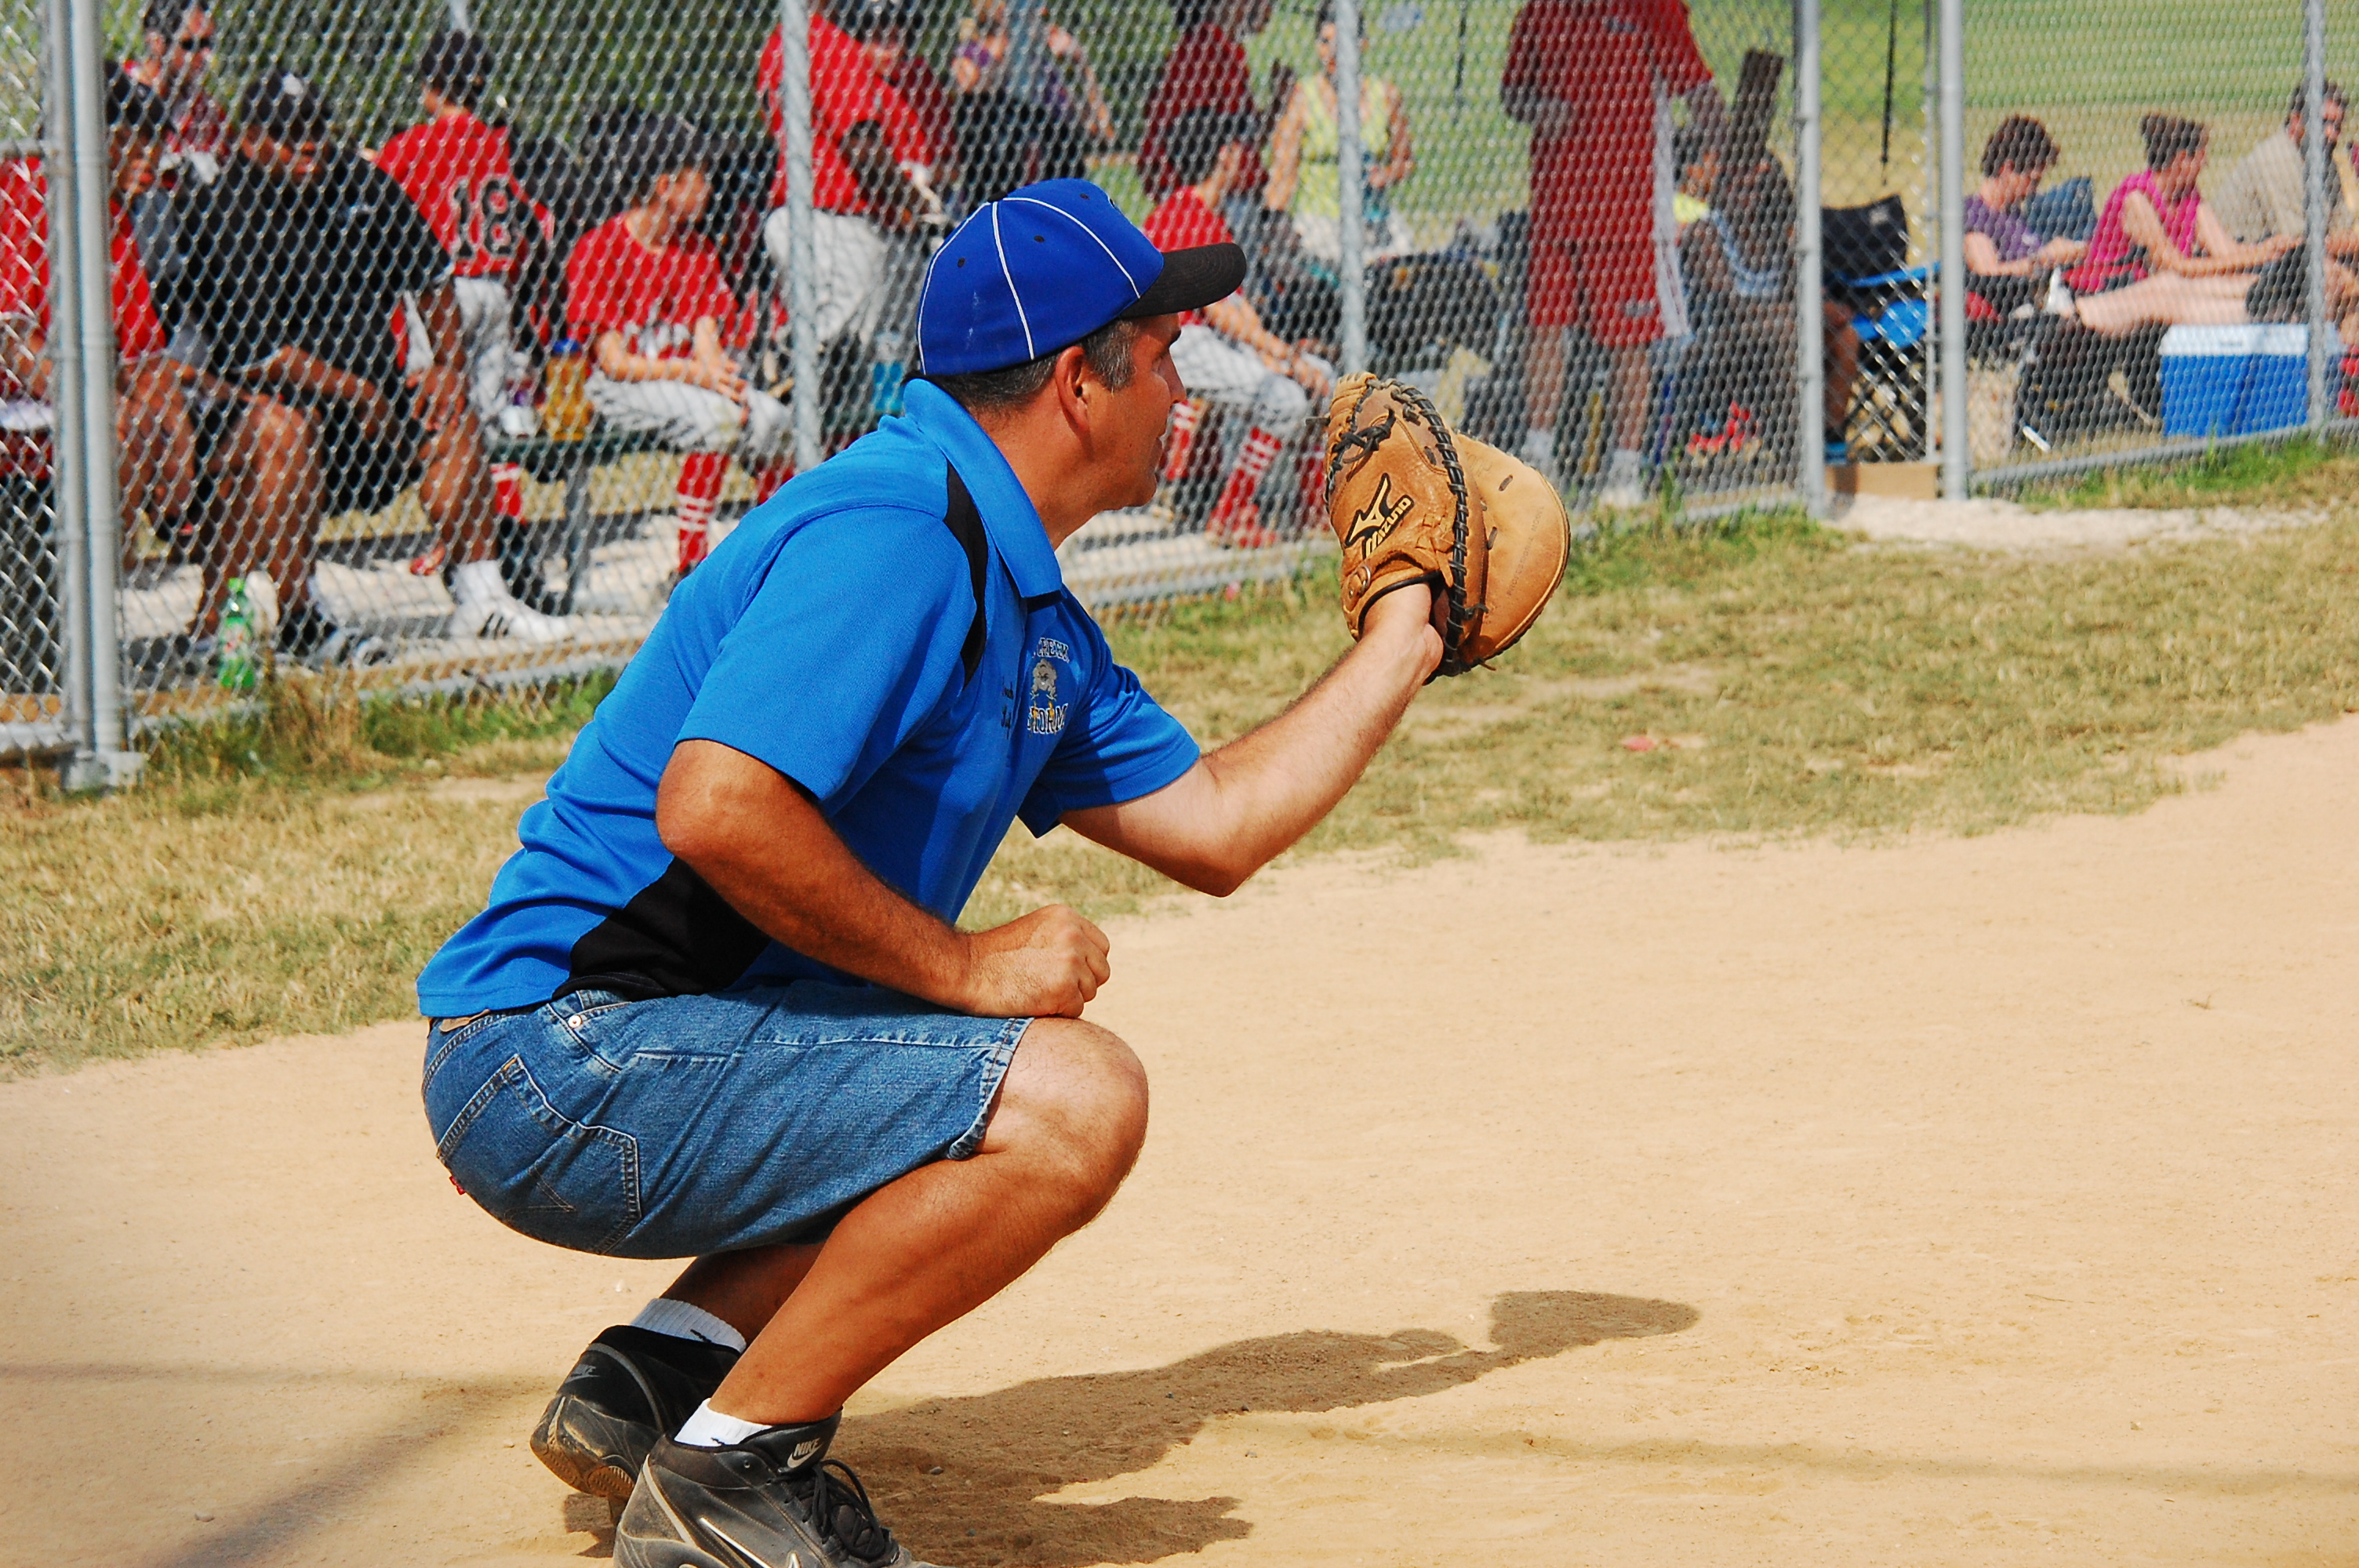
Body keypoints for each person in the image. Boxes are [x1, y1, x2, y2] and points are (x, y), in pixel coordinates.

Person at [414, 175, 1449, 1568]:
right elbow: (716, 807)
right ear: (1078, 383)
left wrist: (1405, 634)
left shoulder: (1024, 603)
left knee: (941, 1060)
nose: (1181, 388)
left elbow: (1216, 824)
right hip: (559, 1062)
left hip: (641, 1050)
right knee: (1071, 1099)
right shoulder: (900, 532)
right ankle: (729, 1475)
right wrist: (964, 966)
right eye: (1160, 353)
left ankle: (662, 1375)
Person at [176, 67, 566, 658]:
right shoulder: (224, 207)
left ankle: (483, 600)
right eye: (289, 133)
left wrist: (446, 368)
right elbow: (258, 355)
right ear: (249, 138)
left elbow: (432, 274)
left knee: (451, 413)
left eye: (317, 128)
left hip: (376, 410)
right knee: (285, 431)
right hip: (286, 418)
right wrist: (360, 393)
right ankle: (301, 615)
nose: (309, 144)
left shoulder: (355, 179)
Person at [1502, 0, 1725, 507]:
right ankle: (1539, 456)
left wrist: (1734, 160)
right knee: (1544, 329)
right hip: (1557, 206)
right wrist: (1537, 109)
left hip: (1629, 210)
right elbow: (1512, 93)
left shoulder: (1650, 7)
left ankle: (1625, 469)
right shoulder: (1542, 10)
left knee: (1630, 342)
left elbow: (1697, 88)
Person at [567, 117, 791, 576]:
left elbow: (707, 341)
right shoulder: (600, 248)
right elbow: (614, 363)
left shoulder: (696, 249)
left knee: (774, 418)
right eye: (700, 177)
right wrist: (697, 375)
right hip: (619, 389)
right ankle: (691, 562)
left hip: (684, 385)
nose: (710, 187)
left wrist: (722, 377)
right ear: (666, 187)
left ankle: (777, 549)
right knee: (718, 418)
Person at [0, 68, 194, 554]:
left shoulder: (110, 213)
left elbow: (144, 355)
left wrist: (172, 421)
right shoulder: (29, 189)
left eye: (155, 143)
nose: (152, 160)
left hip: (60, 406)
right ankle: (95, 578)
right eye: (134, 141)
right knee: (118, 424)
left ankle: (110, 575)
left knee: (152, 419)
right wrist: (101, 403)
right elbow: (14, 340)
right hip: (20, 412)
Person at [376, 31, 543, 553]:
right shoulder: (497, 144)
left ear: (431, 87)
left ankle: (457, 535)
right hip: (496, 289)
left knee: (444, 412)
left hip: (442, 297)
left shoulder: (413, 145)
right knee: (486, 418)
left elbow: (375, 193)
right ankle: (501, 530)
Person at [1144, 109, 1333, 546]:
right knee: (1284, 399)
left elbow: (1236, 307)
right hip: (1176, 341)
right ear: (1224, 157)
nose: (1246, 156)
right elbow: (1220, 314)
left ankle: (1313, 511)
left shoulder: (1204, 213)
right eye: (1238, 148)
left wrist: (1276, 355)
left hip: (1201, 339)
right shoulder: (1187, 217)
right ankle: (1230, 516)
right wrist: (1285, 359)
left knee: (1320, 376)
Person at [759, 0, 939, 371]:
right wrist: (919, 204)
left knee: (827, 348)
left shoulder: (779, 43)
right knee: (838, 353)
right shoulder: (833, 45)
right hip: (837, 227)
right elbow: (863, 147)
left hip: (792, 216)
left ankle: (790, 368)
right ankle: (790, 370)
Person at [2057, 114, 2295, 338]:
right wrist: (2258, 255)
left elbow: (2227, 253)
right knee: (2176, 286)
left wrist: (2273, 249)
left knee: (2233, 283)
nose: (2206, 164)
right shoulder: (2136, 199)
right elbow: (2176, 266)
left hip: (2164, 287)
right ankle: (2260, 310)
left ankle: (2273, 294)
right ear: (2183, 160)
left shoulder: (2189, 197)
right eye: (2202, 157)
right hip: (2111, 290)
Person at [1261, 0, 1416, 266]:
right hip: (1321, 221)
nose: (1332, 52)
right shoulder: (1303, 97)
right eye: (1324, 42)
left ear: (1362, 44)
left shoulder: (1385, 95)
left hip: (1373, 218)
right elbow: (1283, 172)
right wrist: (1273, 223)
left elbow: (1406, 160)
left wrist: (1385, 175)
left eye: (1342, 41)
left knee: (1408, 263)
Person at [2212, 81, 2359, 333]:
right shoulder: (2277, 160)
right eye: (2324, 122)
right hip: (2248, 263)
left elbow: (2340, 233)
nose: (2332, 134)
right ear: (2296, 120)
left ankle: (2343, 354)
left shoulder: (2324, 162)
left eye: (2337, 125)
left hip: (2287, 264)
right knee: (2329, 274)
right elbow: (2298, 246)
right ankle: (2316, 353)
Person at [947, 0, 1113, 201]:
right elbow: (970, 84)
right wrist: (1012, 43)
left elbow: (1101, 133)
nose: (1042, 11)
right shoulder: (971, 55)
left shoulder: (1042, 69)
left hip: (1054, 192)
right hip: (1002, 194)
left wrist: (1080, 63)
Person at [1138, 0, 1289, 209]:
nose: (1266, 7)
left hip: (1220, 194)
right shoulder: (1205, 52)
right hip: (1205, 197)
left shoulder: (1221, 50)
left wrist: (1278, 102)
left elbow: (1247, 136)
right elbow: (1209, 145)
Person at [1961, 114, 2088, 317]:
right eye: (2033, 180)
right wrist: (2044, 259)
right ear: (2007, 169)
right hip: (2014, 314)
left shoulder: (2014, 214)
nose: (2034, 190)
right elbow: (1987, 272)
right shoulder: (1975, 214)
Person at [121, 0, 227, 189]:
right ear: (157, 43)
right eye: (192, 44)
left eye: (210, 43)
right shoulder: (118, 90)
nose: (207, 55)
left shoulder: (205, 111)